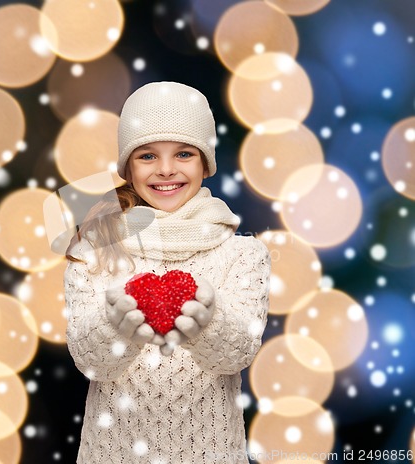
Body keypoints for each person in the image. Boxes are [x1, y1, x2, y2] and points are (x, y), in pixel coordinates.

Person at [64, 81, 271, 463]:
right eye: (147, 156)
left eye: (183, 154)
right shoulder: (96, 249)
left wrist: (208, 322)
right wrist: (116, 325)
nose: (165, 170)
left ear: (205, 162)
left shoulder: (243, 254)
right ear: (127, 165)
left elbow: (236, 355)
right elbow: (89, 360)